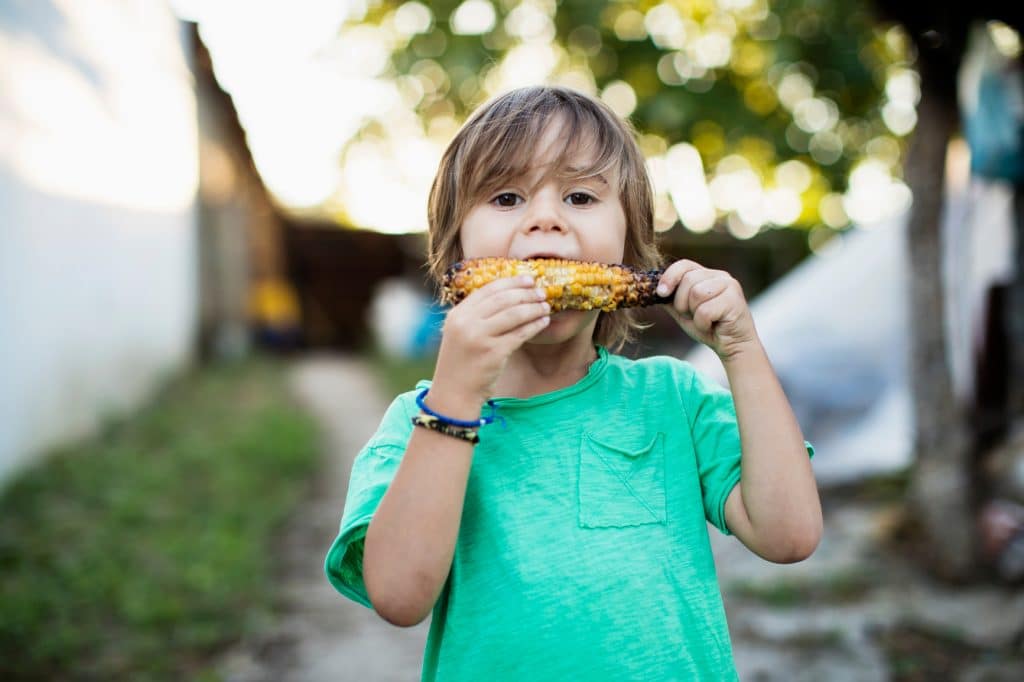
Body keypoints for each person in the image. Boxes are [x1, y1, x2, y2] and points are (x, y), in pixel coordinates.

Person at [325, 85, 822, 680]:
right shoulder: (421, 421)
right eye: (507, 197)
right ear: (454, 250)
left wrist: (742, 352)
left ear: (629, 246)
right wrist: (454, 398)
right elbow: (399, 598)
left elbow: (789, 535)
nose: (544, 220)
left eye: (580, 195)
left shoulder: (672, 399)